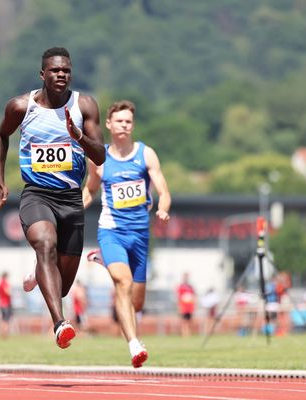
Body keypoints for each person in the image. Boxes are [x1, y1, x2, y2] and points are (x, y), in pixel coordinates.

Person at [0, 47, 105, 349]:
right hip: (37, 195)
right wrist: (0, 183)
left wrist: (77, 135)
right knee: (45, 243)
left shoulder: (85, 106)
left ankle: (40, 272)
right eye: (55, 70)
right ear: (43, 74)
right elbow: (1, 136)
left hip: (70, 200)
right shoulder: (21, 107)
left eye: (66, 70)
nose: (61, 75)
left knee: (62, 287)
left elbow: (101, 155)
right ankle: (60, 325)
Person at [82, 100, 171, 368]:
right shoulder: (100, 158)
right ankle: (134, 344)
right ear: (108, 124)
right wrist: (72, 211)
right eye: (119, 120)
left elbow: (164, 191)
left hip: (140, 236)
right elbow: (90, 191)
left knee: (137, 302)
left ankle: (104, 260)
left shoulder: (146, 155)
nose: (124, 125)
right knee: (123, 282)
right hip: (112, 231)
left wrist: (163, 209)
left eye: (128, 121)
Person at [176, 272, 196, 337]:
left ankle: (189, 333)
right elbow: (179, 296)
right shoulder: (181, 286)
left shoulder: (190, 286)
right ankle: (185, 334)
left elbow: (193, 296)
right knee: (184, 321)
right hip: (184, 307)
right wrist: (179, 306)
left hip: (190, 307)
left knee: (190, 321)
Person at [0, 272, 13, 339]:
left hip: (1, 304)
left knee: (3, 319)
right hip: (6, 304)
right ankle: (5, 335)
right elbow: (8, 292)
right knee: (6, 320)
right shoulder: (5, 283)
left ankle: (3, 335)